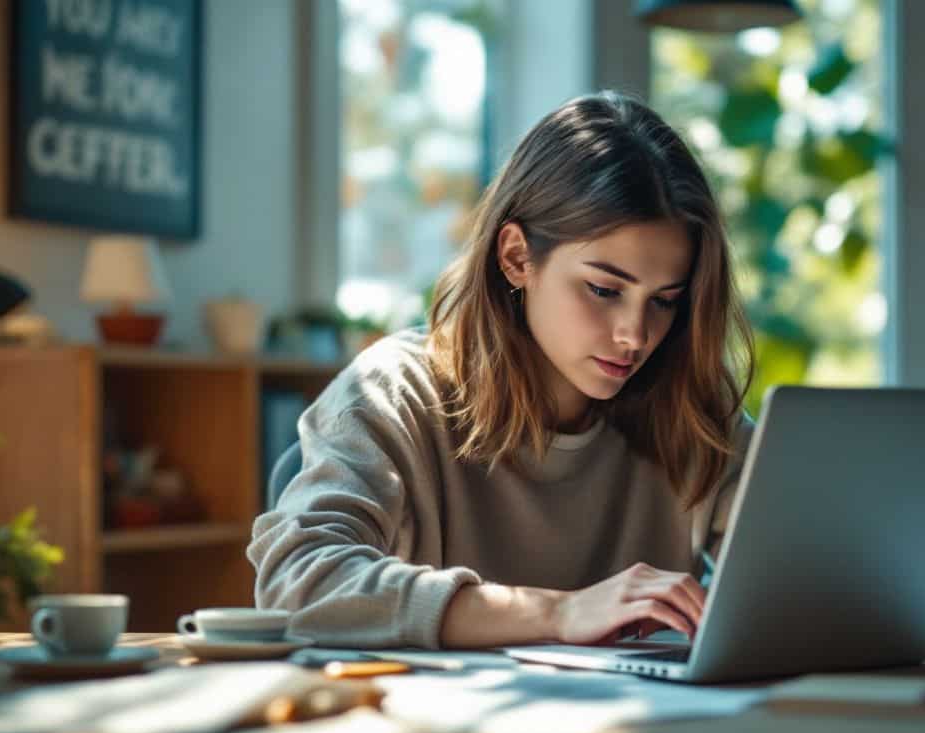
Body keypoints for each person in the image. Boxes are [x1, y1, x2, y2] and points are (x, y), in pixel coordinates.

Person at [248, 91, 754, 650]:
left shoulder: (692, 411)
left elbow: (814, 571)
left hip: (654, 729)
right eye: (604, 290)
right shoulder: (395, 392)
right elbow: (296, 583)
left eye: (664, 300)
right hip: (444, 729)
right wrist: (557, 614)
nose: (635, 336)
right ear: (516, 257)